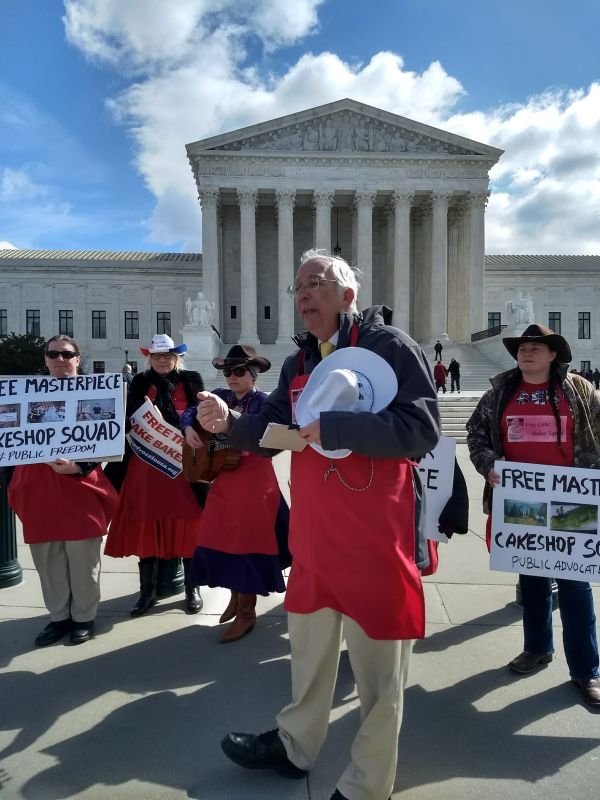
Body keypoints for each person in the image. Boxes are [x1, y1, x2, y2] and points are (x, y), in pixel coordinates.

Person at [195, 249, 440, 800]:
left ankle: (367, 783)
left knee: (378, 670)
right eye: (298, 287)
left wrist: (337, 426)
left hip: (375, 535)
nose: (303, 294)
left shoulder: (390, 346)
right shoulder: (298, 361)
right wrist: (228, 423)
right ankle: (295, 746)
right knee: (307, 650)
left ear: (347, 294)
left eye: (315, 283)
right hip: (313, 534)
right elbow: (270, 429)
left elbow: (421, 428)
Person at [466, 323, 600, 707]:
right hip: (522, 501)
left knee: (575, 587)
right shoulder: (501, 393)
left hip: (572, 501)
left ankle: (587, 670)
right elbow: (476, 434)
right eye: (522, 348)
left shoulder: (578, 390)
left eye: (535, 348)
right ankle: (537, 648)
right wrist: (488, 464)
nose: (526, 353)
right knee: (533, 581)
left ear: (553, 355)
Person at [7, 335, 119, 646]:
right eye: (53, 354)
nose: (60, 359)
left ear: (77, 359)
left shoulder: (97, 391)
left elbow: (109, 439)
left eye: (67, 354)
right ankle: (59, 618)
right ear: (45, 359)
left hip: (79, 488)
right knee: (49, 562)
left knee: (83, 561)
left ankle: (83, 617)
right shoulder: (27, 392)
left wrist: (80, 466)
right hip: (37, 489)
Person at [185, 345, 291, 643]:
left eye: (239, 371)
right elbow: (191, 411)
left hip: (254, 480)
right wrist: (188, 428)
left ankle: (247, 611)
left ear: (253, 375)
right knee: (221, 538)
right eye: (228, 371)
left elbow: (269, 436)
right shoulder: (222, 395)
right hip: (225, 479)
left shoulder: (263, 401)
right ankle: (235, 598)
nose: (232, 376)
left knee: (247, 543)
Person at [104, 334, 206, 616]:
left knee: (189, 526)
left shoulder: (191, 379)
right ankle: (146, 592)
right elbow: (129, 416)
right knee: (146, 526)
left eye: (167, 356)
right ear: (150, 358)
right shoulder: (139, 381)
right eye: (157, 356)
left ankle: (192, 588)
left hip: (182, 464)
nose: (162, 360)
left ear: (176, 358)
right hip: (146, 464)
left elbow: (200, 413)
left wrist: (185, 427)